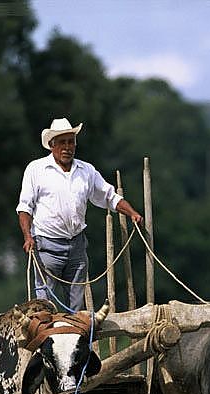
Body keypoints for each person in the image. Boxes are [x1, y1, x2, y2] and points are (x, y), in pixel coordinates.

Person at [16, 117, 143, 312]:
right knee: (43, 306)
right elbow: (25, 207)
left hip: (76, 246)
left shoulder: (86, 170)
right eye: (62, 142)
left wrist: (132, 213)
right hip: (47, 246)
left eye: (71, 142)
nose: (67, 147)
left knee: (76, 307)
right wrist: (27, 236)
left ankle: (76, 331)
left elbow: (109, 196)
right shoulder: (36, 169)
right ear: (52, 145)